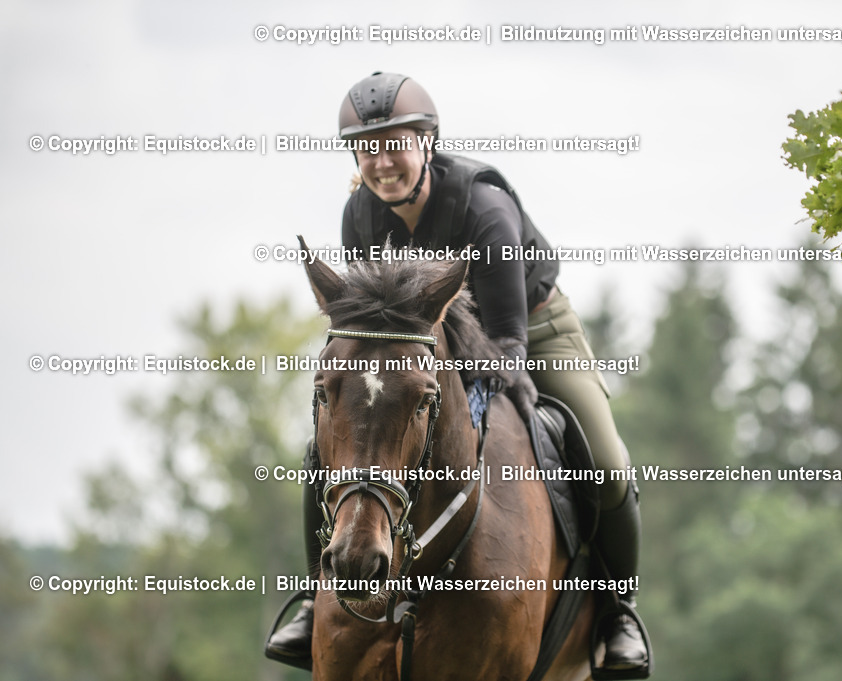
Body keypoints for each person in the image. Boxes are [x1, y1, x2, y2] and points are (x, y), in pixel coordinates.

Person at [265, 72, 651, 677]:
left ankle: (616, 613)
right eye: (367, 148)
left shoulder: (483, 205)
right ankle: (320, 597)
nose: (381, 161)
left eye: (396, 143)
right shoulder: (358, 217)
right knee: (324, 450)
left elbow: (506, 340)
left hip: (530, 329)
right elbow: (371, 329)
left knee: (605, 458)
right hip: (421, 348)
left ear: (427, 140)